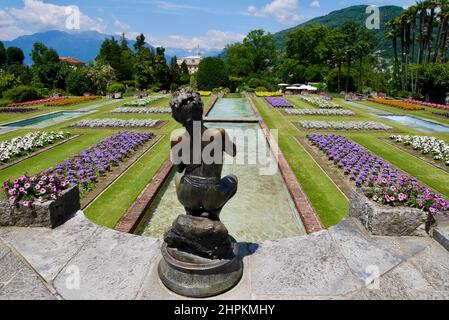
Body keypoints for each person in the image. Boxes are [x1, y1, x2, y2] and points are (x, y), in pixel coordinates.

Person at [170, 88, 238, 221]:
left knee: (178, 179)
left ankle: (191, 211)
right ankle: (214, 213)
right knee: (233, 179)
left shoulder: (176, 140)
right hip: (213, 196)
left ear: (179, 118)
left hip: (187, 196)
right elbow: (233, 152)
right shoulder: (219, 134)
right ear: (200, 110)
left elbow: (179, 169)